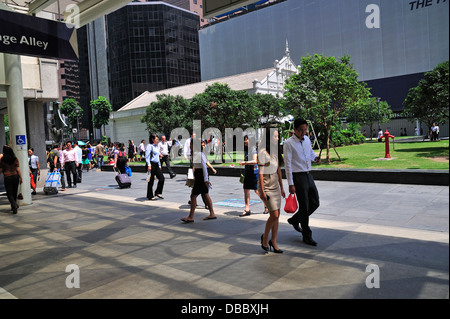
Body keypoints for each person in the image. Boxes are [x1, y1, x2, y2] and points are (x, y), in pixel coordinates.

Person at [283, 119, 321, 246]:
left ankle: (295, 219)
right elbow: (287, 164)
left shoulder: (306, 140)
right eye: (301, 130)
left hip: (308, 174)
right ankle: (306, 235)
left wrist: (315, 158)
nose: (303, 132)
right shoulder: (289, 143)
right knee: (304, 206)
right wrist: (290, 183)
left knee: (315, 202)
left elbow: (310, 153)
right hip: (298, 177)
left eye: (305, 130)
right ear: (295, 129)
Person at [258, 127, 285, 253]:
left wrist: (282, 187)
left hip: (276, 187)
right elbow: (261, 173)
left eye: (278, 136)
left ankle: (273, 241)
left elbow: (279, 169)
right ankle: (265, 237)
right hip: (266, 187)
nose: (277, 138)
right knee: (274, 215)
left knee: (277, 216)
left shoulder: (276, 150)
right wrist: (262, 192)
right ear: (269, 138)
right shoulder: (263, 152)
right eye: (275, 136)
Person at [181, 138, 217, 223]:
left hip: (201, 177)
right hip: (199, 176)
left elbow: (204, 168)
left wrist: (205, 180)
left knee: (193, 196)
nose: (189, 145)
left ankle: (191, 216)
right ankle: (212, 213)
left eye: (191, 144)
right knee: (205, 194)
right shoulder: (196, 154)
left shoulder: (199, 155)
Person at [239, 135, 260, 217]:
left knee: (257, 190)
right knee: (246, 189)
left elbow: (255, 161)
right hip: (247, 171)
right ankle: (247, 209)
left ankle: (267, 205)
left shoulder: (253, 149)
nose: (245, 141)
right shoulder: (247, 149)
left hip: (254, 172)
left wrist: (245, 162)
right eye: (244, 140)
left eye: (246, 140)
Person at [0, 145, 23, 214]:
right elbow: (18, 169)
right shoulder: (15, 158)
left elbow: (0, 169)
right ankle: (13, 208)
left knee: (9, 194)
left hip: (7, 177)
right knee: (14, 192)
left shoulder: (3, 160)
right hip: (15, 176)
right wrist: (21, 178)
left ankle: (14, 205)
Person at [146, 134, 165, 200]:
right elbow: (147, 156)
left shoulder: (155, 146)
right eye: (156, 139)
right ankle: (150, 195)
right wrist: (149, 165)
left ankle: (158, 192)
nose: (157, 140)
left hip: (156, 164)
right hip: (151, 164)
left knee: (162, 178)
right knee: (151, 181)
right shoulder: (149, 146)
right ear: (152, 139)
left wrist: (159, 165)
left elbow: (157, 157)